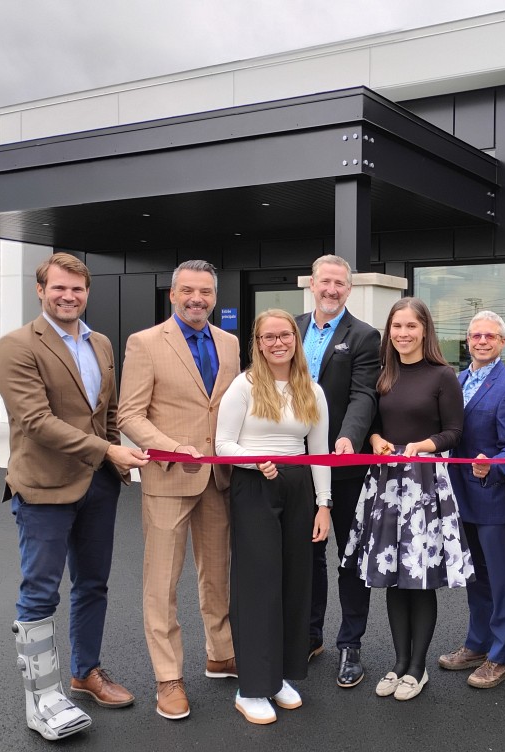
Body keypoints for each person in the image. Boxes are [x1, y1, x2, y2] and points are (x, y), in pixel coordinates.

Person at [0, 252, 149, 741]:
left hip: (97, 485)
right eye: (59, 288)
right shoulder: (16, 346)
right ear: (41, 290)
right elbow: (36, 421)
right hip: (44, 486)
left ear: (87, 292)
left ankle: (85, 673)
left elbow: (110, 408)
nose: (69, 296)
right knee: (41, 592)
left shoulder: (100, 342)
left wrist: (124, 449)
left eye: (77, 289)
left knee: (93, 585)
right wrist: (109, 450)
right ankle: (42, 697)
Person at [117, 259, 240, 720]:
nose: (197, 299)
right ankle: (168, 678)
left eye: (206, 292)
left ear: (214, 296)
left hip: (219, 479)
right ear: (172, 294)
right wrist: (172, 448)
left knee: (216, 576)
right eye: (188, 291)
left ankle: (220, 653)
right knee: (162, 584)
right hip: (169, 477)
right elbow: (129, 415)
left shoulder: (228, 343)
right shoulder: (145, 343)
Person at [342, 297, 472, 701]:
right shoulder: (383, 375)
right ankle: (398, 663)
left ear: (424, 330)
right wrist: (376, 438)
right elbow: (374, 425)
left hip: (425, 485)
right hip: (385, 485)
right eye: (396, 326)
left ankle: (418, 668)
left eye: (411, 326)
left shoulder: (442, 375)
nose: (403, 334)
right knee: (394, 579)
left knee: (419, 579)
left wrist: (425, 444)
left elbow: (455, 431)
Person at [215, 309, 332, 724]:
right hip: (256, 488)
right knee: (258, 584)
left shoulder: (311, 390)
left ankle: (279, 677)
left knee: (295, 582)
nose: (278, 342)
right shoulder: (243, 386)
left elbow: (319, 452)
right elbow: (223, 443)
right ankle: (252, 688)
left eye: (285, 335)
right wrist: (254, 461)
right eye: (269, 337)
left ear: (296, 340)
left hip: (299, 487)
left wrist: (324, 504)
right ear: (258, 343)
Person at [296, 254, 380, 688]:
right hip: (293, 466)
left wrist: (349, 437)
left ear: (348, 289)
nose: (332, 290)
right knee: (306, 555)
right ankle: (310, 636)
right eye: (325, 282)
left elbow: (363, 395)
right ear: (312, 284)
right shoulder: (289, 328)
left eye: (340, 285)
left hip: (344, 465)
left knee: (349, 555)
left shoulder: (364, 336)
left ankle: (351, 643)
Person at [439, 311, 505, 689]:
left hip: (492, 498)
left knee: (502, 579)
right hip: (461, 497)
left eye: (490, 336)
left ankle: (501, 656)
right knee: (476, 577)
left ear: (502, 342)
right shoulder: (458, 380)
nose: (481, 341)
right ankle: (477, 644)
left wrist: (491, 466)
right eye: (475, 335)